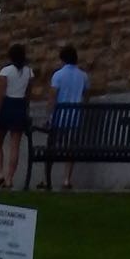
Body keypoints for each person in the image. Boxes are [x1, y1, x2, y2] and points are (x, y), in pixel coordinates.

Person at [0, 42, 34, 188]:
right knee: (15, 145)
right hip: (20, 105)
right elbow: (28, 94)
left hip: (7, 105)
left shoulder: (6, 71)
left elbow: (0, 94)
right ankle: (9, 178)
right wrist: (26, 110)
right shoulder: (29, 72)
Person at [45, 42, 88, 192]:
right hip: (75, 117)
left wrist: (49, 116)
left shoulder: (58, 75)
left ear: (62, 59)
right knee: (71, 148)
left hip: (59, 117)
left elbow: (52, 97)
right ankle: (66, 179)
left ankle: (47, 178)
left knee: (52, 147)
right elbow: (85, 95)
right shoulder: (83, 76)